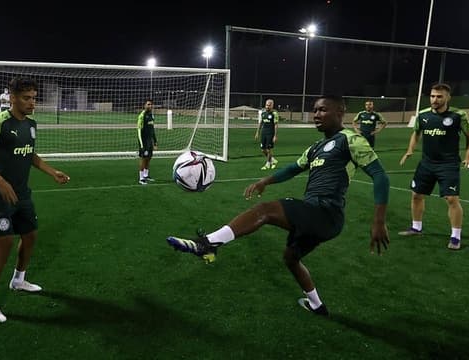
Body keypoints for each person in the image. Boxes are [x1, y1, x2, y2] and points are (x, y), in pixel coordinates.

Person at [167, 95, 390, 316]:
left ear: (340, 112)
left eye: (323, 110)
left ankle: (208, 244)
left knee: (265, 211)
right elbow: (294, 168)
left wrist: (379, 221)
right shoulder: (316, 148)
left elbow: (380, 175)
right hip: (316, 212)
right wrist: (266, 181)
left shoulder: (350, 140)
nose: (316, 115)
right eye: (314, 110)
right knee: (291, 258)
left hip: (327, 212)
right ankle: (316, 305)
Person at [0, 77, 71, 322]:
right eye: (26, 98)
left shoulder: (32, 125)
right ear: (12, 98)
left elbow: (30, 155)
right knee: (4, 244)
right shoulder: (0, 123)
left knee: (30, 236)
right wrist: (0, 181)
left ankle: (18, 280)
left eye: (34, 98)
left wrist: (52, 171)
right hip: (0, 195)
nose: (32, 102)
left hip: (22, 194)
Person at [398, 83, 469, 250]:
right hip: (426, 163)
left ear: (447, 97)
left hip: (448, 164)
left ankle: (455, 237)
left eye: (439, 96)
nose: (435, 99)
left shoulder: (458, 115)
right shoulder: (423, 115)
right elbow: (416, 133)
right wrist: (410, 150)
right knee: (416, 195)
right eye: (433, 96)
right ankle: (416, 228)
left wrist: (468, 157)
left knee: (452, 199)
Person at [254, 99, 280, 170]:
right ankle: (273, 160)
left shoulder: (274, 114)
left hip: (270, 134)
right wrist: (257, 133)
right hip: (263, 133)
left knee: (268, 149)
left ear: (272, 106)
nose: (267, 106)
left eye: (269, 105)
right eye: (266, 105)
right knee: (263, 150)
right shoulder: (263, 113)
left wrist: (275, 135)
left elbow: (276, 125)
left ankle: (268, 163)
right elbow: (260, 123)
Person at [137, 99, 158, 185]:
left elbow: (152, 130)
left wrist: (155, 142)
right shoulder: (142, 115)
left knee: (149, 158)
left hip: (150, 142)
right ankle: (141, 178)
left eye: (151, 104)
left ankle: (146, 175)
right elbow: (139, 131)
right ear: (144, 105)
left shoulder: (151, 115)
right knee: (143, 159)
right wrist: (141, 145)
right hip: (144, 142)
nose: (150, 106)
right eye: (148, 104)